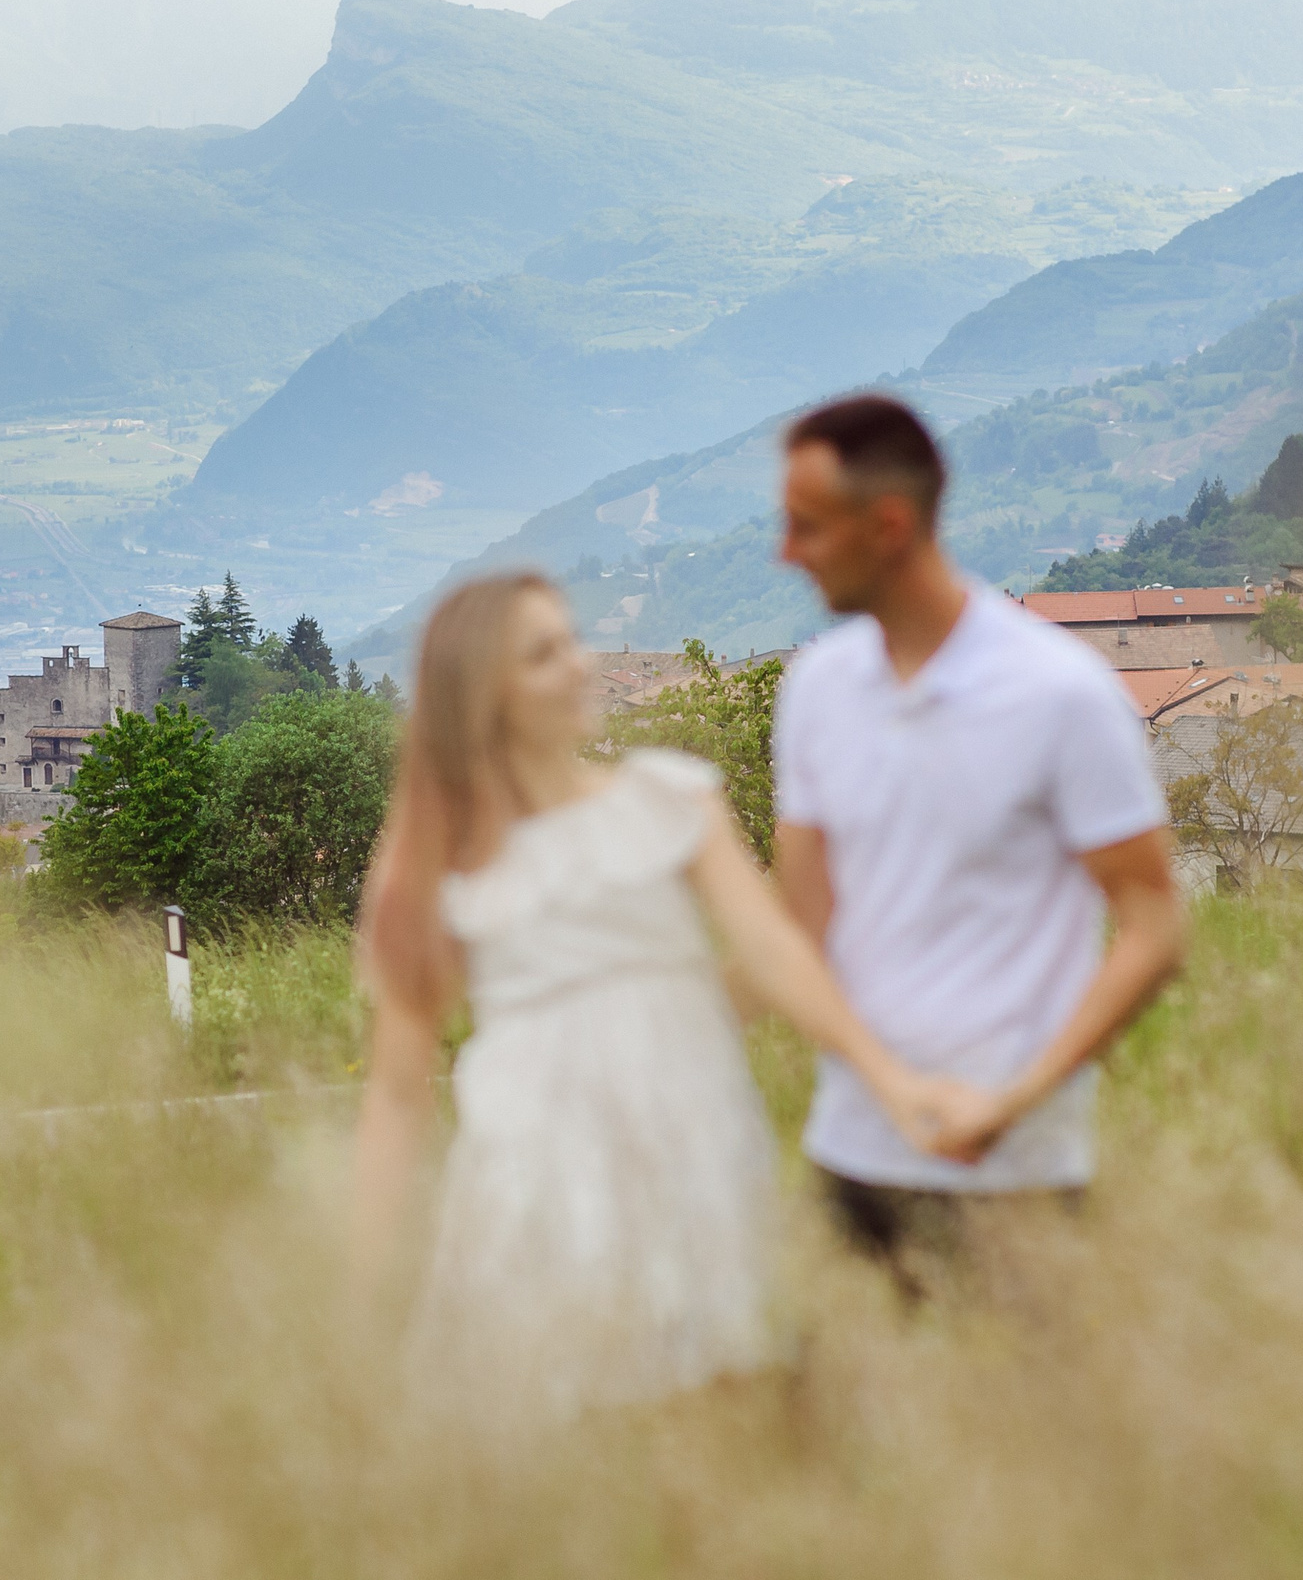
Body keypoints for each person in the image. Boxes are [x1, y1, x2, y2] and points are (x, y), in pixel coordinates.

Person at [349, 570, 970, 1416]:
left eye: (571, 640)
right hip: (533, 1176)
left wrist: (891, 1080)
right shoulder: (438, 864)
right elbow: (395, 1093)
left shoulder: (670, 799)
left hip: (691, 1147)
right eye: (543, 654)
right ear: (485, 693)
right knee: (558, 1419)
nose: (580, 664)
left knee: (718, 1407)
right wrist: (358, 1293)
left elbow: (775, 952)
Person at [770, 393, 1188, 1294]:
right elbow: (795, 933)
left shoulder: (1062, 694)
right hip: (852, 1149)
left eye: (807, 526)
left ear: (888, 526)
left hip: (1017, 1171)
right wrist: (890, 1086)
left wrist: (1015, 1100)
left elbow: (1154, 927)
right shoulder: (815, 690)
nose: (785, 552)